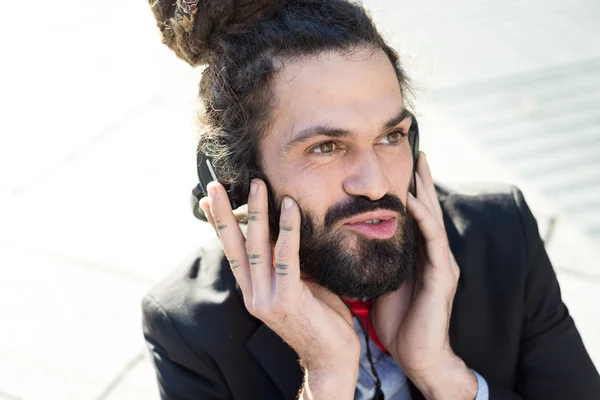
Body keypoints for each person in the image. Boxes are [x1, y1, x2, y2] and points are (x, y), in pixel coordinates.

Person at [141, 0, 600, 399]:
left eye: (390, 136)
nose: (376, 184)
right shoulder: (188, 325)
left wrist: (445, 377)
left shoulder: (501, 236)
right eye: (326, 147)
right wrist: (326, 380)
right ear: (237, 179)